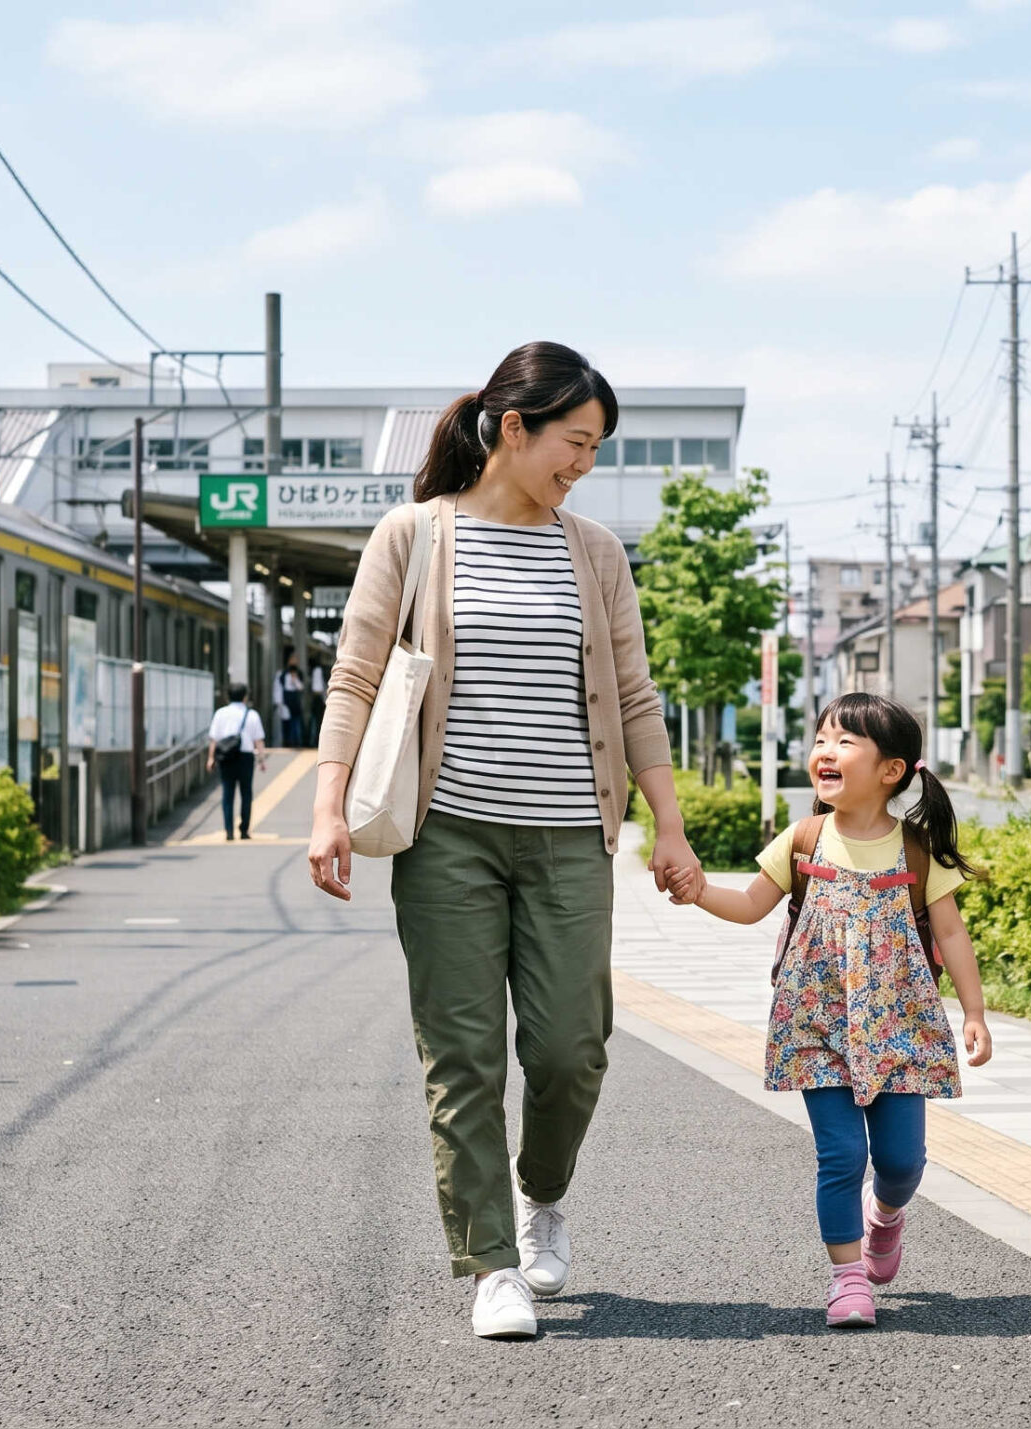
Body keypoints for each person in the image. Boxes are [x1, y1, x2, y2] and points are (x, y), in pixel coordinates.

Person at [308, 341, 702, 1342]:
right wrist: (326, 805)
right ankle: (491, 1264)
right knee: (465, 1055)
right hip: (448, 839)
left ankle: (543, 1192)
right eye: (574, 440)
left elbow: (636, 695)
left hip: (573, 831)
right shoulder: (414, 535)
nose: (585, 463)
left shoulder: (596, 551)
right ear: (512, 428)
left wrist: (670, 825)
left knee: (572, 1049)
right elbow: (354, 679)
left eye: (597, 447)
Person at [675, 692, 993, 1330]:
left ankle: (887, 1215)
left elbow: (951, 935)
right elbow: (749, 904)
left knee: (901, 1162)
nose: (826, 750)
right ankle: (847, 1280)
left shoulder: (915, 852)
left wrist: (975, 1013)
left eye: (845, 742)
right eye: (822, 738)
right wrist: (698, 890)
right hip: (817, 1023)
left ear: (891, 770)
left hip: (901, 1024)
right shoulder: (803, 839)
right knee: (841, 1155)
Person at [206, 683, 265, 840]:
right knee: (246, 793)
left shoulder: (220, 713)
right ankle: (244, 830)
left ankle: (229, 831)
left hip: (226, 757)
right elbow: (258, 740)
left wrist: (211, 758)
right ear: (245, 696)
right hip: (245, 756)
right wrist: (261, 759)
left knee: (227, 793)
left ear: (228, 696)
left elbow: (214, 739)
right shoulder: (251, 714)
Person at [274, 653, 308, 748]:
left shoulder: (299, 673)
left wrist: (295, 679)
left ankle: (297, 743)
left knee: (296, 724)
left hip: (295, 702)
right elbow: (279, 689)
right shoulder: (282, 674)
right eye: (293, 659)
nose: (295, 661)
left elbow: (301, 688)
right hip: (285, 702)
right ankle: (287, 743)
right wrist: (279, 703)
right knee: (286, 724)